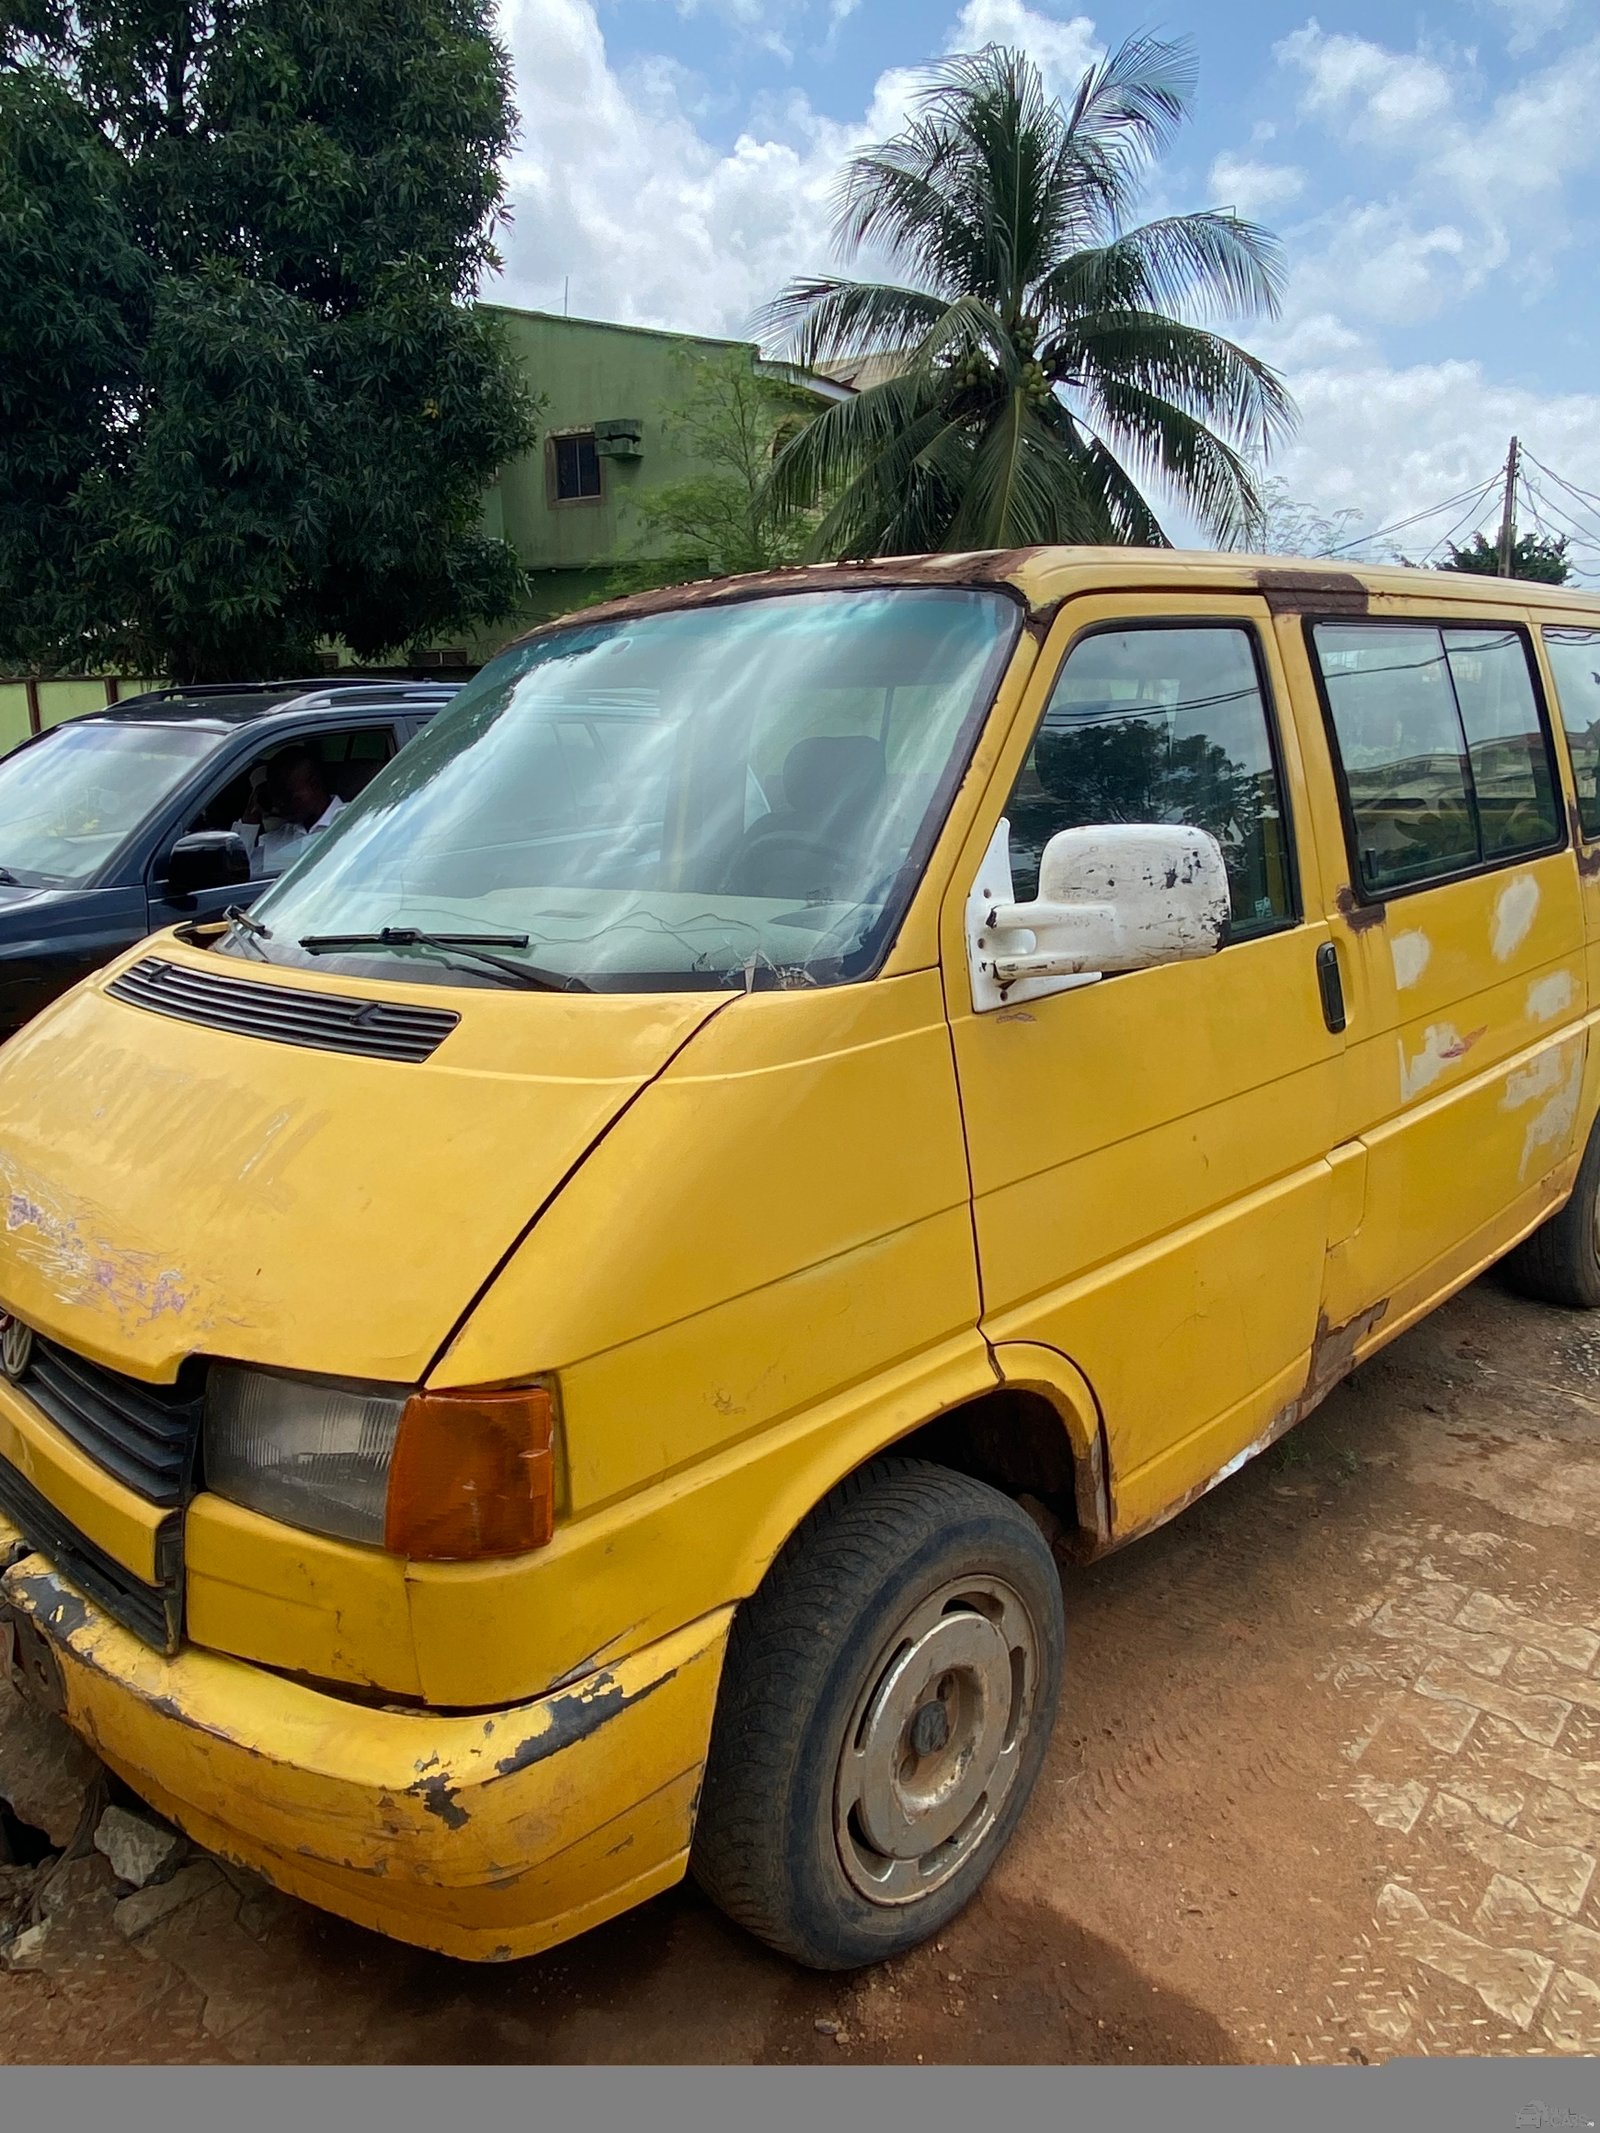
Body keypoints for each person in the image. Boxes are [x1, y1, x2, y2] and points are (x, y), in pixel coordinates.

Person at [232, 749, 345, 879]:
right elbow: (238, 876)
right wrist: (249, 821)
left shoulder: (355, 822)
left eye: (287, 794)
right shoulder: (275, 839)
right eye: (275, 796)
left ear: (313, 784)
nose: (280, 803)